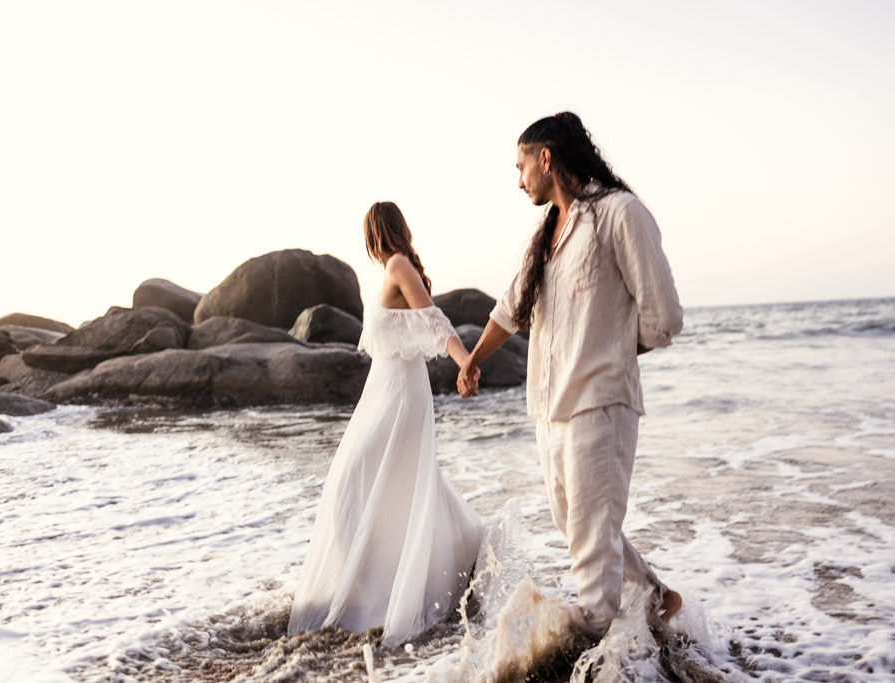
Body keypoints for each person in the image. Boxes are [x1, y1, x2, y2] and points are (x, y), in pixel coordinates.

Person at [457, 112, 684, 638]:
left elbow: (664, 316)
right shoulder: (545, 233)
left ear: (546, 158)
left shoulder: (619, 214)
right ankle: (655, 598)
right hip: (550, 407)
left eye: (521, 166)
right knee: (581, 527)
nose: (519, 180)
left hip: (600, 403)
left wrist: (609, 352)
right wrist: (473, 360)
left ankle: (599, 648)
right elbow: (510, 307)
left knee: (590, 535)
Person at [288, 201, 482, 647]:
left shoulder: (398, 265)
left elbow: (435, 321)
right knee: (375, 484)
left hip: (399, 396)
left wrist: (465, 364)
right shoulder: (393, 270)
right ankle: (383, 578)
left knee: (355, 481)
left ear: (377, 232)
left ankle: (395, 581)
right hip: (383, 393)